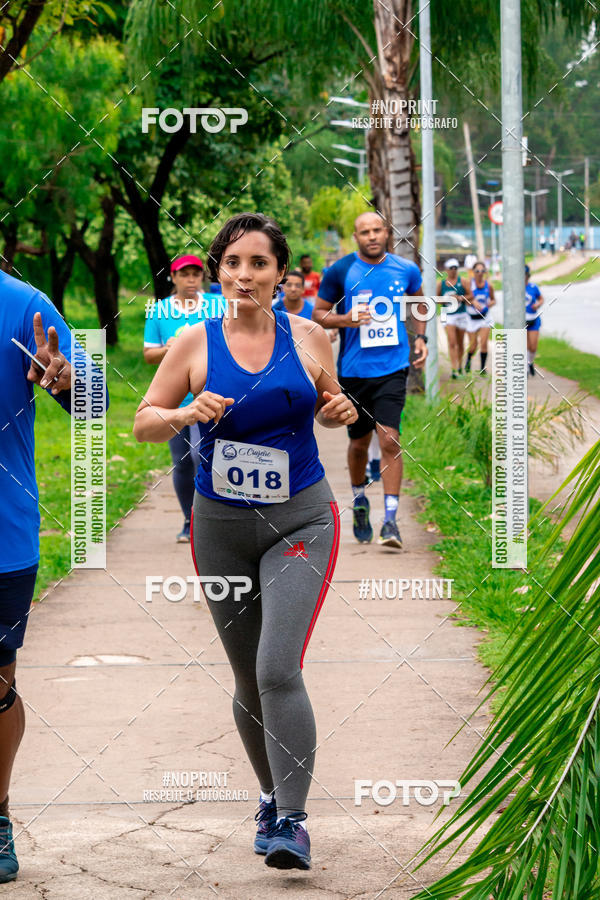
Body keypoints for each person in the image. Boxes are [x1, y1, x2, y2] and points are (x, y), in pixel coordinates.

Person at [134, 212, 357, 871]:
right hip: (221, 528)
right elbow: (146, 421)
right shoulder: (194, 343)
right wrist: (182, 413)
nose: (244, 275)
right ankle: (268, 795)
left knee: (275, 667)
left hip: (299, 521)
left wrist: (337, 409)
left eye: (259, 263)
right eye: (232, 263)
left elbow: (331, 403)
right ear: (218, 272)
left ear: (280, 273)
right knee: (245, 676)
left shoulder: (310, 336)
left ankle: (292, 819)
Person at [0, 269, 107, 883]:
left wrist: (66, 379)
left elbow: (95, 404)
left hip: (1, 534)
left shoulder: (25, 307)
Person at [312, 211, 428, 549]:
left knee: (390, 440)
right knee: (360, 443)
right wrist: (346, 319)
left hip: (392, 368)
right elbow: (319, 314)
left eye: (378, 230)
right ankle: (359, 497)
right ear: (356, 236)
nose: (372, 236)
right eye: (365, 232)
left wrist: (421, 339)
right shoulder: (340, 271)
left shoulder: (406, 269)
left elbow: (420, 304)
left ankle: (390, 520)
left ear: (388, 233)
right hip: (353, 372)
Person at [143, 254, 223, 542]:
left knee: (202, 455)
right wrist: (172, 349)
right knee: (181, 461)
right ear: (173, 278)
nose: (191, 279)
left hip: (212, 395)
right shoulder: (159, 310)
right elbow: (149, 354)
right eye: (184, 274)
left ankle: (210, 519)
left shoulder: (219, 306)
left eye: (196, 274)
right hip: (175, 399)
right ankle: (189, 522)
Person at [437, 258, 473, 379]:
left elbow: (471, 295)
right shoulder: (441, 284)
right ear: (446, 269)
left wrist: (460, 298)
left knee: (460, 342)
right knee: (452, 342)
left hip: (461, 314)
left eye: (455, 268)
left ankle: (460, 366)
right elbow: (436, 298)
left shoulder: (463, 281)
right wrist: (446, 300)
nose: (453, 270)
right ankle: (453, 369)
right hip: (447, 315)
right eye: (451, 268)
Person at [464, 261, 496, 376]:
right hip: (471, 318)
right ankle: (468, 362)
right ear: (473, 272)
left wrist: (488, 306)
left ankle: (482, 368)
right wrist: (472, 302)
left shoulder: (489, 286)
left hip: (485, 318)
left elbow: (493, 300)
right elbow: (463, 299)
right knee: (473, 345)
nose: (480, 273)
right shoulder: (469, 285)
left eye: (482, 271)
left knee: (483, 343)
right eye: (477, 271)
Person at [525, 264, 544, 376]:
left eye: (525, 275)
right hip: (522, 320)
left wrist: (538, 304)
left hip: (533, 319)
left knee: (533, 346)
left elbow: (541, 298)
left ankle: (530, 362)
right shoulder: (516, 288)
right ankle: (526, 367)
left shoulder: (533, 287)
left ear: (528, 276)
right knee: (526, 345)